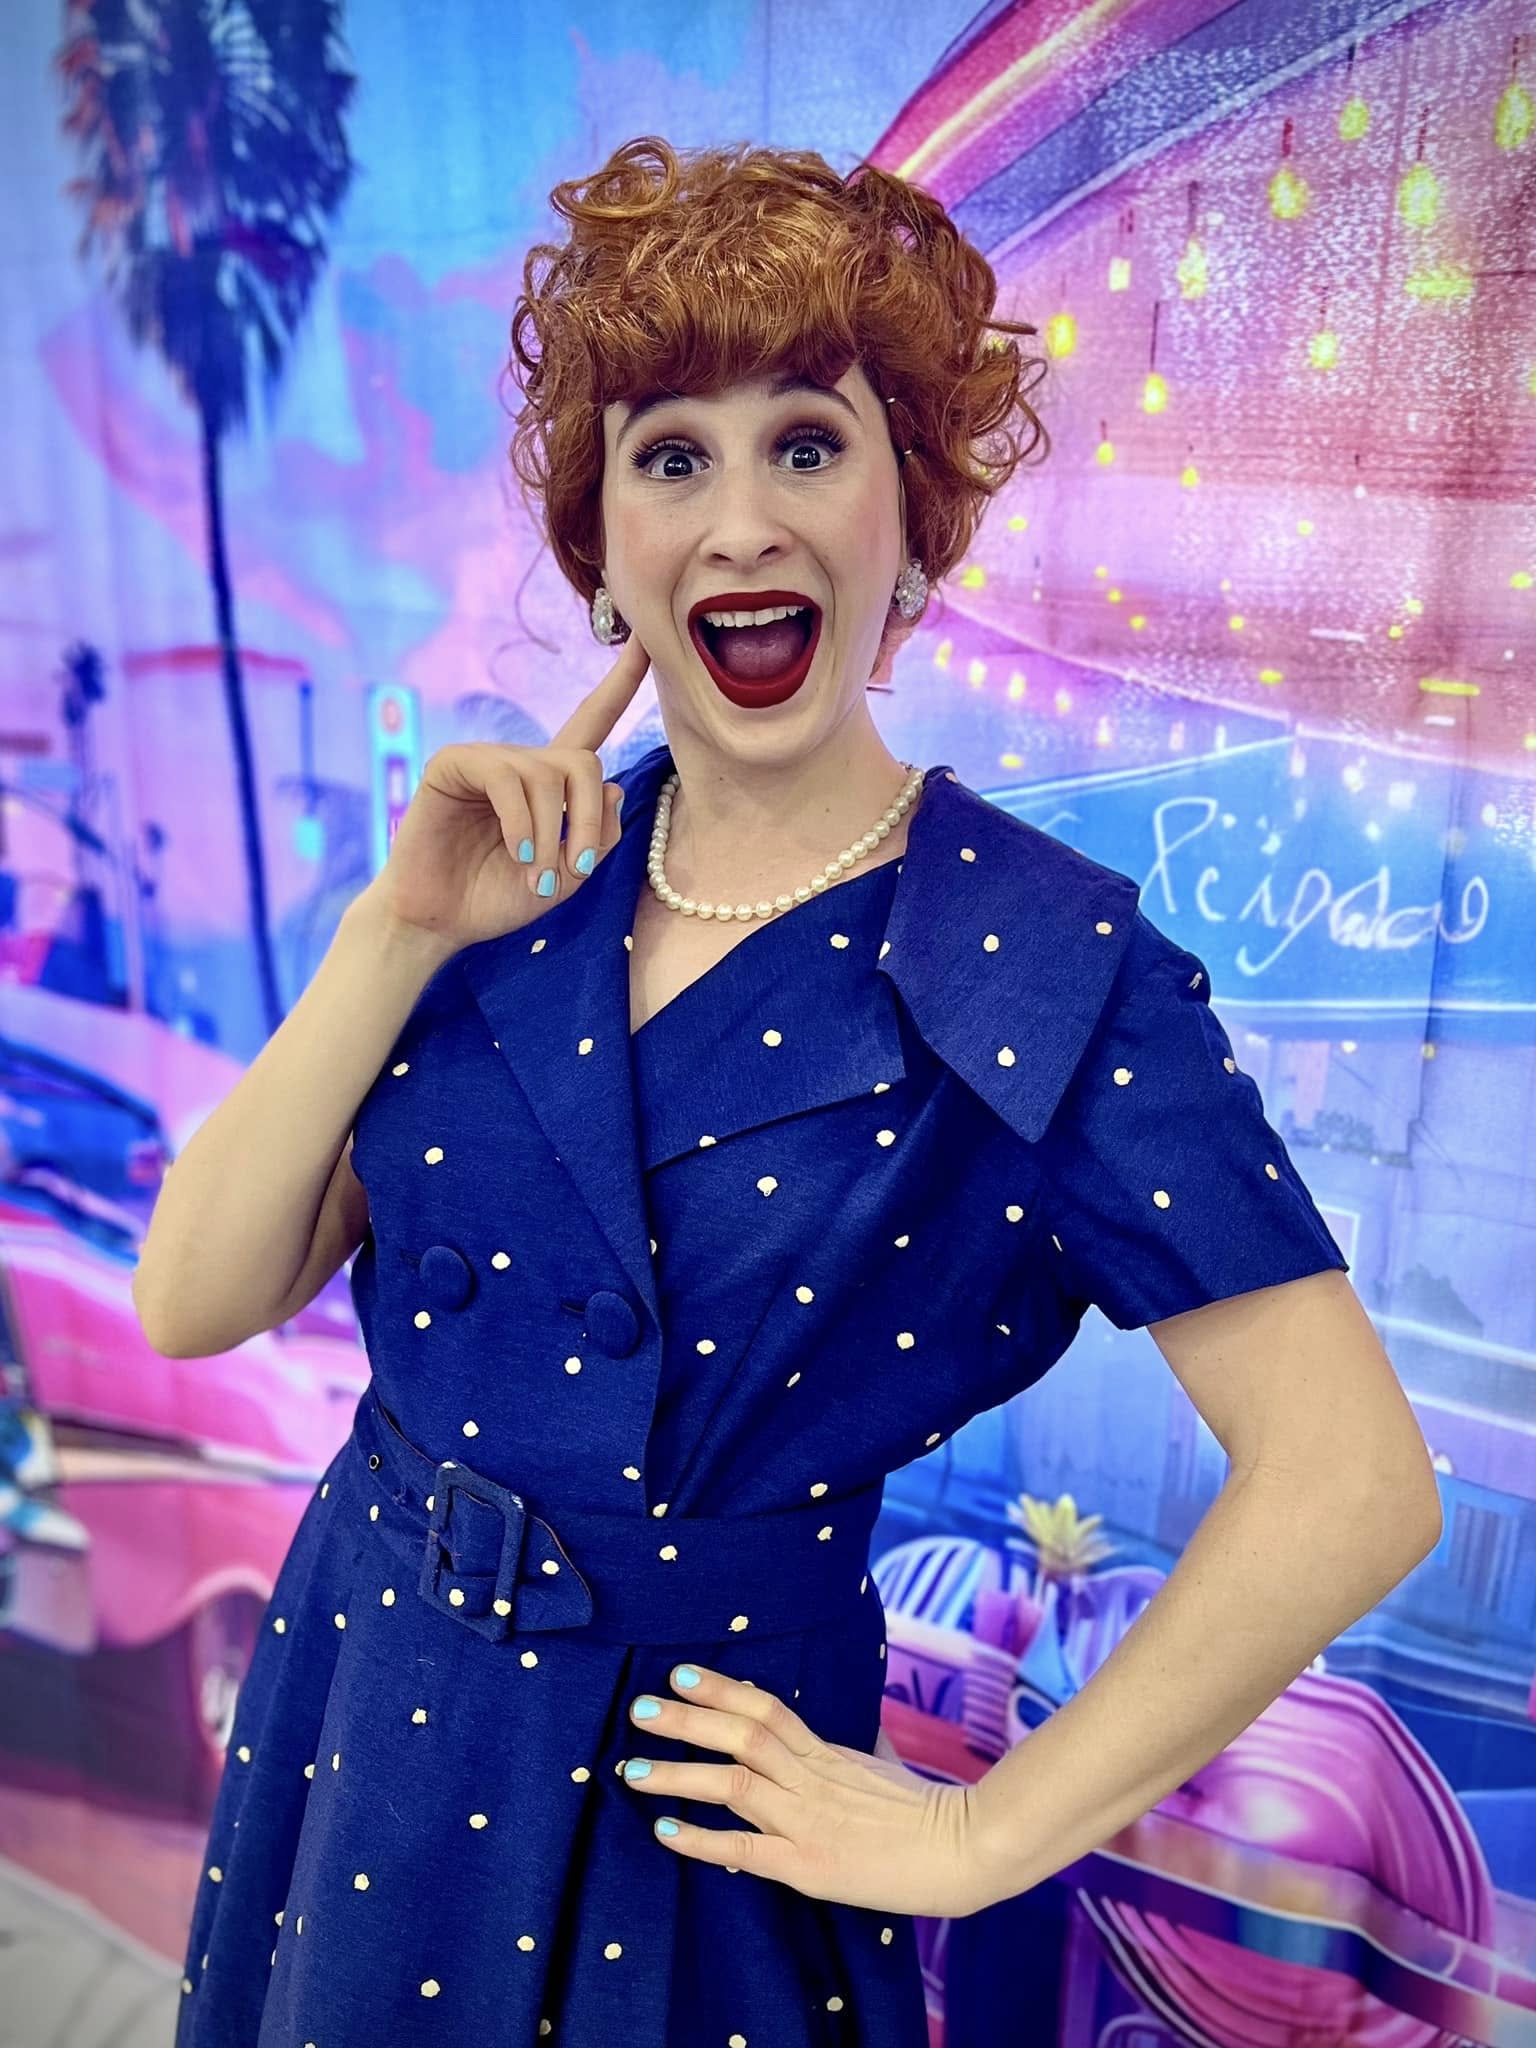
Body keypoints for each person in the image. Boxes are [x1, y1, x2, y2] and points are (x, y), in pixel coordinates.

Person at [146, 136, 1440, 2046]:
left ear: (913, 514)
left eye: (808, 445)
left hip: (685, 1838)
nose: (741, 520)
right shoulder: (507, 880)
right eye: (671, 458)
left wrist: (979, 1833)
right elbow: (193, 1300)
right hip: (365, 1740)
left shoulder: (1039, 963)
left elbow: (1352, 1481)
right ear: (604, 550)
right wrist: (392, 934)